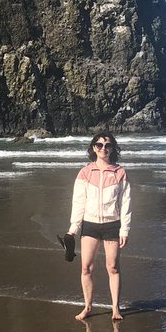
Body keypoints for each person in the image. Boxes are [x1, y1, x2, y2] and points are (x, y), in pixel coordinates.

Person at [61, 132, 131, 321]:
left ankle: (115, 308)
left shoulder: (120, 172)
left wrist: (124, 229)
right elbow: (78, 201)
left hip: (112, 225)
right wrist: (73, 229)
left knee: (113, 267)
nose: (103, 148)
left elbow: (126, 203)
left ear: (113, 148)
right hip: (90, 225)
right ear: (93, 148)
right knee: (86, 268)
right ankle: (88, 307)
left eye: (107, 145)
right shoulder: (85, 172)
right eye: (99, 145)